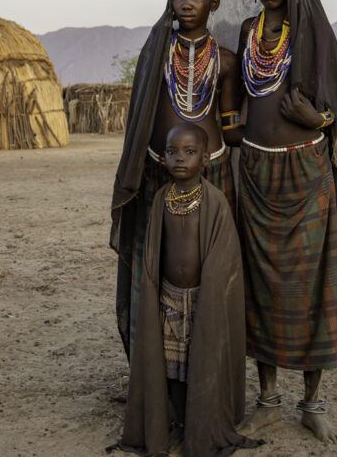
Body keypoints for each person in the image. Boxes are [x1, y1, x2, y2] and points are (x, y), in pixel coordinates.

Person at [230, 0, 337, 444]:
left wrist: (318, 120)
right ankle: (267, 401)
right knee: (261, 287)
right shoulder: (247, 32)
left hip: (307, 173)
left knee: (311, 290)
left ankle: (313, 402)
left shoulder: (315, 33)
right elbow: (239, 99)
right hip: (256, 173)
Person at [110, 0, 242, 360]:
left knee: (208, 267)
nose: (186, 3)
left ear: (213, 3)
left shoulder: (227, 62)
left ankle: (206, 370)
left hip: (214, 173)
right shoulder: (155, 55)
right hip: (158, 171)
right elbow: (141, 118)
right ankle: (155, 374)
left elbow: (231, 125)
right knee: (156, 266)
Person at [113, 123, 259, 456]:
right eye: (172, 152)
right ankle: (179, 422)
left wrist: (210, 295)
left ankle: (201, 422)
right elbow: (153, 252)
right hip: (167, 298)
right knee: (171, 366)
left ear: (206, 159)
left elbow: (224, 258)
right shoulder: (163, 200)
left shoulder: (216, 203)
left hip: (201, 299)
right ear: (162, 158)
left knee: (200, 361)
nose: (180, 159)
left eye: (190, 152)